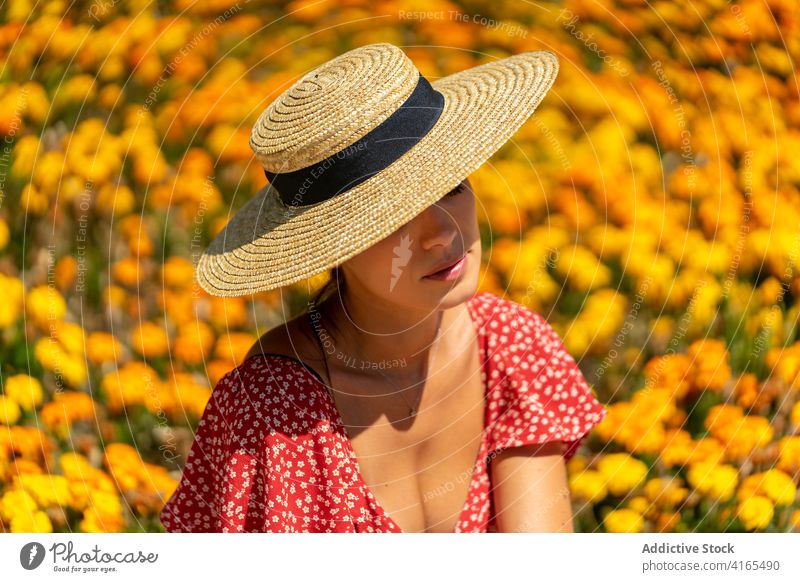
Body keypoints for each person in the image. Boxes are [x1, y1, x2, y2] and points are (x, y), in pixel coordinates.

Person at [160, 42, 607, 533]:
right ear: (329, 246)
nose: (443, 233)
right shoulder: (278, 414)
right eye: (395, 217)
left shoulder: (511, 345)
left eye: (452, 186)